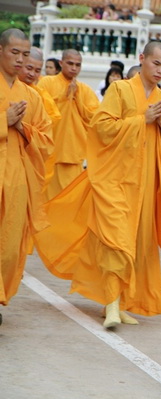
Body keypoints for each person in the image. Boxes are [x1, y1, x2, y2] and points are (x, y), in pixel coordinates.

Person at [33, 41, 161, 329]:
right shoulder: (120, 90)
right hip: (115, 179)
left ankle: (118, 302)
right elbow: (101, 126)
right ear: (142, 59)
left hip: (144, 185)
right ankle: (113, 303)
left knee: (136, 245)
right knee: (117, 240)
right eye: (156, 64)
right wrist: (141, 120)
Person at [0, 28, 53, 324]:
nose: (20, 60)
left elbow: (47, 140)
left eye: (25, 53)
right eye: (14, 53)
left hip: (18, 180)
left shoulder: (31, 96)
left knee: (8, 246)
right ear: (0, 50)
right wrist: (3, 121)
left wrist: (22, 128)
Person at [37, 49, 100, 200]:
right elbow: (40, 111)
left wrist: (77, 99)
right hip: (50, 154)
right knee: (47, 202)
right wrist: (63, 97)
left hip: (73, 155)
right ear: (61, 63)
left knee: (69, 202)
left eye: (78, 65)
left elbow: (95, 118)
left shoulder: (84, 90)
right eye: (70, 63)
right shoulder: (47, 82)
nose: (74, 68)